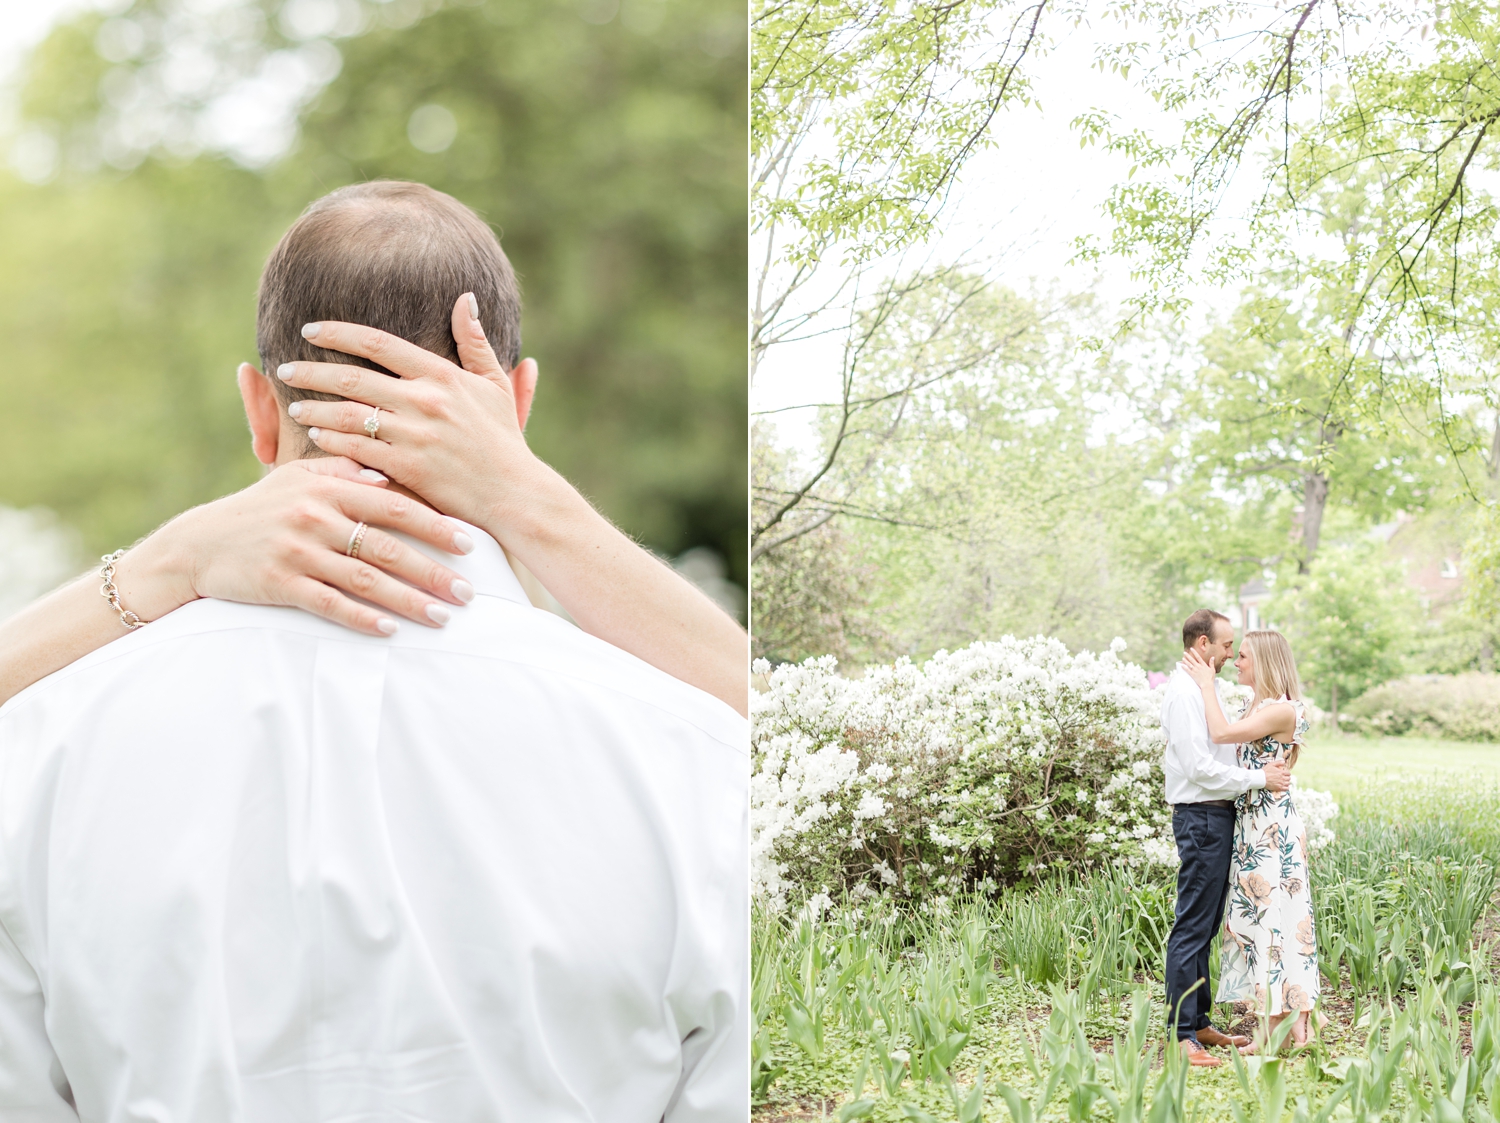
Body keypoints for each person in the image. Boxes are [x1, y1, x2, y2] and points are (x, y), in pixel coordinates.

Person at [0, 182, 746, 1119]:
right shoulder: (696, 760)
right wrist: (529, 500)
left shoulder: (38, 753)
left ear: (259, 411)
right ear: (517, 405)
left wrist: (163, 563)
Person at [1159, 608, 1291, 1069]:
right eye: (1226, 645)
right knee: (1192, 926)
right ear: (1202, 645)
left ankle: (1198, 1023)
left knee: (1207, 925)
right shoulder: (1183, 694)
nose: (1231, 654)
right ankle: (1181, 1035)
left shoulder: (1201, 691)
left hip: (1217, 817)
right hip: (1200, 818)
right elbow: (1197, 768)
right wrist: (1258, 778)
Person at [1183, 628, 1318, 1053]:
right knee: (1262, 921)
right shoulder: (1255, 704)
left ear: (1264, 661)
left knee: (1272, 920)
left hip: (1270, 830)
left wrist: (1205, 684)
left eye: (1243, 656)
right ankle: (1288, 1023)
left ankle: (1276, 1029)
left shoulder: (1282, 710)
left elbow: (1222, 735)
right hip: (1251, 827)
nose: (1235, 662)